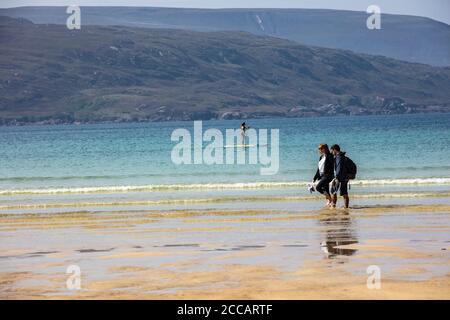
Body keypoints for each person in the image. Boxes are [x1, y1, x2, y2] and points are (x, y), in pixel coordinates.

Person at [330, 144, 350, 208]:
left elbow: (338, 168)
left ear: (335, 150)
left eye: (332, 151)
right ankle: (346, 207)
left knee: (333, 192)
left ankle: (333, 206)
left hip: (338, 177)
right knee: (344, 193)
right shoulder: (343, 156)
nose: (332, 153)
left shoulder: (338, 157)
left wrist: (336, 177)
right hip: (345, 177)